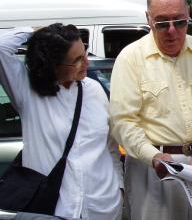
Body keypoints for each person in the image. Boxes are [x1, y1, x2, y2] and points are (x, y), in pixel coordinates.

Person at [109, 0, 192, 220]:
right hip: (152, 168)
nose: (171, 31)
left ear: (188, 13)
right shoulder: (130, 58)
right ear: (148, 19)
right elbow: (122, 122)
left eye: (179, 22)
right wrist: (152, 155)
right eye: (162, 23)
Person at [0, 24, 123, 220]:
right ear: (52, 64)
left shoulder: (95, 90)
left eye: (85, 53)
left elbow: (110, 147)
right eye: (77, 60)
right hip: (54, 211)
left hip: (104, 207)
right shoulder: (27, 92)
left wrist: (119, 187)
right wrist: (34, 30)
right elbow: (1, 47)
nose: (87, 64)